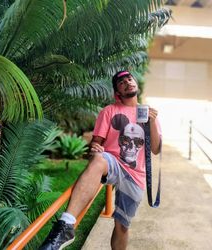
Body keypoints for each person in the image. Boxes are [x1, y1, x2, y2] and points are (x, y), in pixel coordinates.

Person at [39, 70, 162, 250]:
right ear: (117, 93)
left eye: (130, 78)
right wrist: (95, 148)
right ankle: (66, 224)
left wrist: (151, 122)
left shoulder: (148, 113)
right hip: (111, 163)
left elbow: (156, 150)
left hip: (136, 175)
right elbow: (96, 144)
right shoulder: (109, 111)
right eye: (121, 82)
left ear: (135, 83)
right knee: (98, 160)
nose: (127, 82)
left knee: (122, 226)